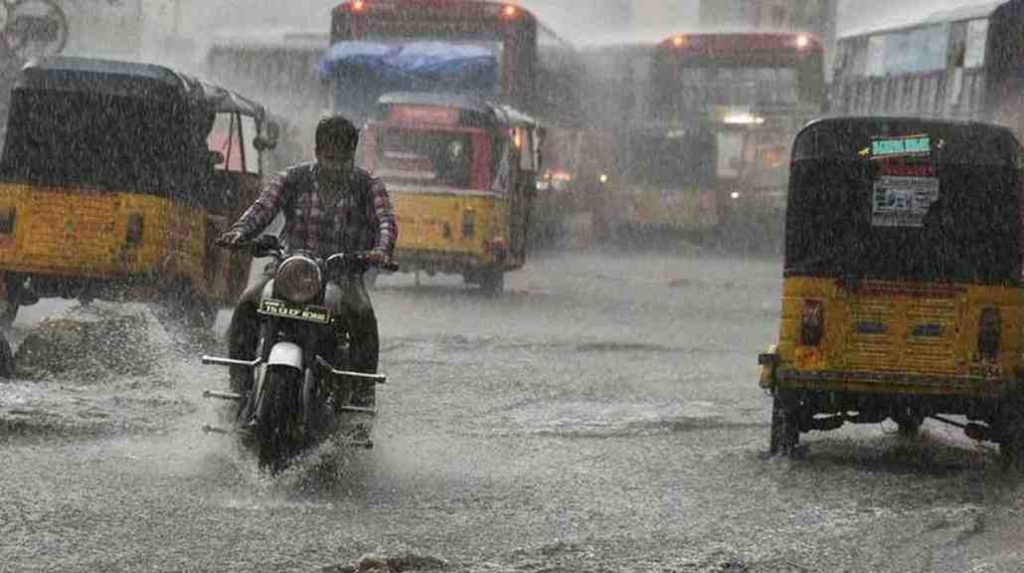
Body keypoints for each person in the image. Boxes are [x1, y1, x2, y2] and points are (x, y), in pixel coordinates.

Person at [216, 115, 397, 400]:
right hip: (287, 269)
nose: (336, 167)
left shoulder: (369, 186)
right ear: (317, 153)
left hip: (342, 275)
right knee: (246, 306)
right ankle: (239, 386)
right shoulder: (292, 178)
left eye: (343, 160)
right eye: (330, 158)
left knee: (363, 317)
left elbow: (385, 222)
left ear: (353, 155)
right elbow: (261, 209)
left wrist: (382, 251)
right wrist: (239, 232)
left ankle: (362, 399)